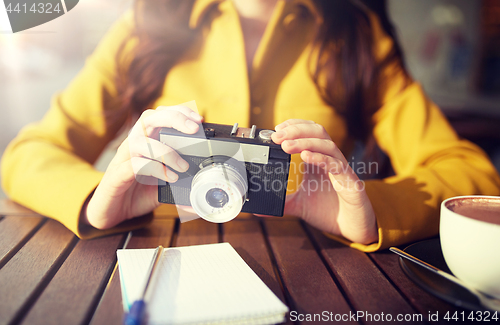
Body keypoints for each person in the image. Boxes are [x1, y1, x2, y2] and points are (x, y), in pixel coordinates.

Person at [2, 0, 499, 252]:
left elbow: (471, 175)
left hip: (322, 278)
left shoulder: (354, 35)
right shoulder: (146, 23)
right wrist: (99, 199)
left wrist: (369, 209)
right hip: (158, 260)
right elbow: (29, 151)